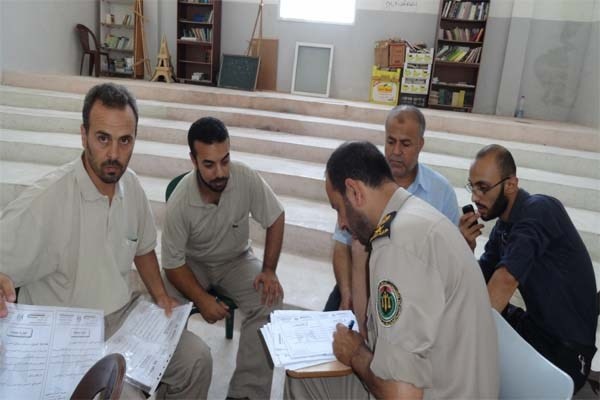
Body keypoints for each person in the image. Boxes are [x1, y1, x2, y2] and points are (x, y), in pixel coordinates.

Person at [0, 83, 212, 399]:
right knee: (127, 396)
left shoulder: (132, 186)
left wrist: (160, 296)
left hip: (123, 317)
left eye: (124, 140)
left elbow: (143, 249)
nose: (114, 154)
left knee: (198, 360)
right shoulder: (45, 201)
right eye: (103, 138)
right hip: (68, 333)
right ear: (83, 135)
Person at [286, 141, 498, 399]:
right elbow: (372, 338)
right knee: (306, 378)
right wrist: (359, 251)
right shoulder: (409, 216)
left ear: (355, 191)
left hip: (432, 392)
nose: (341, 223)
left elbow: (402, 394)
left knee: (305, 380)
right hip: (443, 382)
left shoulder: (398, 245)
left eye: (339, 209)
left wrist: (354, 353)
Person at [161, 116, 285, 399]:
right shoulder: (180, 201)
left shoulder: (245, 177)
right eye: (209, 164)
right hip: (191, 265)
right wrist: (202, 299)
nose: (220, 172)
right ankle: (171, 388)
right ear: (193, 160)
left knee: (270, 299)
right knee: (163, 307)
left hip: (236, 260)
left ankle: (246, 393)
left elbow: (276, 217)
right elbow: (172, 264)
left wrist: (269, 270)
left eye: (225, 160)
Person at [459, 144, 598, 392]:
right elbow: (478, 283)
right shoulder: (504, 227)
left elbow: (505, 280)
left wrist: (461, 340)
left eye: (483, 188)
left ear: (511, 184)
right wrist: (465, 249)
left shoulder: (540, 210)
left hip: (566, 353)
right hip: (536, 331)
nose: (475, 197)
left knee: (468, 343)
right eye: (472, 187)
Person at [324, 106, 460, 331]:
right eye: (390, 141)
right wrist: (347, 292)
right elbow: (342, 244)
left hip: (410, 292)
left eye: (405, 144)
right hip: (360, 280)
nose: (396, 151)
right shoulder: (365, 181)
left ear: (420, 144)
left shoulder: (441, 192)